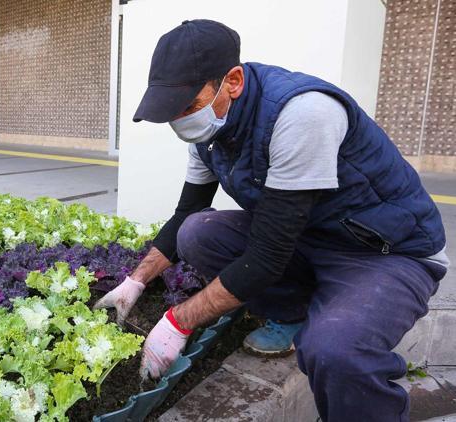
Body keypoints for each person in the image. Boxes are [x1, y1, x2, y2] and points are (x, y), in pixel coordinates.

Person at [93, 19, 449, 421]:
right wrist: (135, 281)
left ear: (233, 81)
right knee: (198, 233)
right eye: (173, 112)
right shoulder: (211, 130)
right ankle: (295, 313)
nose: (181, 121)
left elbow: (266, 258)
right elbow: (187, 212)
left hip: (385, 251)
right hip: (310, 235)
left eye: (189, 107)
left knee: (334, 349)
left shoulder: (302, 114)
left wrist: (178, 321)